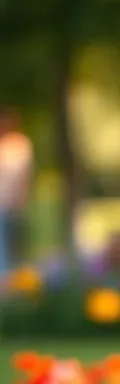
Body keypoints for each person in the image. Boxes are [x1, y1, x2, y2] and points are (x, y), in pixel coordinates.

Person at [0, 108, 34, 277]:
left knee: (15, 241)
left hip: (14, 200)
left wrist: (23, 197)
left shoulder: (21, 145)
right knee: (3, 240)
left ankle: (15, 276)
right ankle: (5, 276)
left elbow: (25, 174)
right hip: (2, 202)